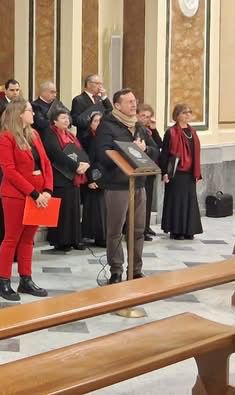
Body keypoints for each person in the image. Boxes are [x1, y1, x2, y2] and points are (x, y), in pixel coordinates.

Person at [0, 100, 53, 301]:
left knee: (29, 239)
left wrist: (47, 190)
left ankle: (25, 279)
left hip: (38, 196)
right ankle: (3, 282)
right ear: (19, 114)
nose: (34, 114)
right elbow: (9, 171)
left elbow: (45, 163)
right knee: (12, 238)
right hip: (16, 195)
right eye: (30, 111)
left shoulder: (34, 134)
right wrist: (33, 193)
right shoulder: (5, 137)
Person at [94, 89, 156, 284]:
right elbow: (102, 154)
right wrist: (130, 151)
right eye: (129, 102)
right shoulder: (107, 125)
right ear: (117, 105)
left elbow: (155, 150)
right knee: (115, 231)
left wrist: (145, 149)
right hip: (117, 185)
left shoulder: (139, 126)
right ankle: (116, 270)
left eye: (134, 101)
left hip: (138, 183)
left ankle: (136, 269)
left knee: (138, 230)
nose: (133, 104)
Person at [42, 107, 90, 252]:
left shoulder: (70, 135)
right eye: (63, 118)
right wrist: (76, 166)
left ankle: (74, 239)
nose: (66, 120)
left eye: (67, 118)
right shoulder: (50, 134)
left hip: (72, 177)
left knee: (73, 209)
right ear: (54, 121)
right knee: (61, 211)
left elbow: (79, 151)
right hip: (59, 177)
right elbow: (56, 154)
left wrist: (85, 163)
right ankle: (60, 241)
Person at [159, 103, 204, 240]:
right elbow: (165, 153)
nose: (187, 115)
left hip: (190, 173)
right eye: (184, 112)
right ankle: (176, 230)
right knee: (177, 202)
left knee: (189, 201)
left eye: (189, 112)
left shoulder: (192, 132)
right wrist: (164, 172)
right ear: (177, 115)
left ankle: (188, 229)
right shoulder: (171, 132)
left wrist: (197, 172)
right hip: (176, 173)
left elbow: (195, 153)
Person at [0, 79, 21, 252]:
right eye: (13, 90)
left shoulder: (21, 104)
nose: (16, 93)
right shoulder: (1, 105)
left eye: (18, 90)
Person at [80, 110, 107, 247]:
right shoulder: (87, 138)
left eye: (100, 121)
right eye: (95, 121)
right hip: (92, 176)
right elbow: (86, 160)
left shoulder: (106, 138)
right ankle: (95, 235)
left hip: (105, 177)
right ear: (90, 124)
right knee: (95, 208)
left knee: (104, 207)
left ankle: (103, 235)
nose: (98, 124)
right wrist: (90, 179)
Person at [137, 104, 163, 238]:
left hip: (150, 169)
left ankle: (146, 226)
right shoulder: (136, 129)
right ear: (137, 115)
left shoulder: (148, 130)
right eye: (143, 116)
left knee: (148, 200)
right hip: (140, 169)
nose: (146, 119)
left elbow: (159, 146)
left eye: (148, 117)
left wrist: (154, 129)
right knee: (141, 202)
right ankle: (141, 229)